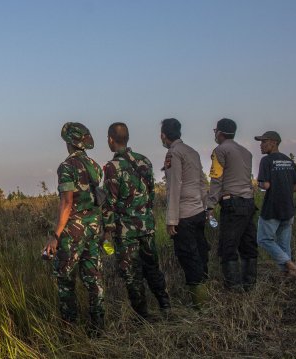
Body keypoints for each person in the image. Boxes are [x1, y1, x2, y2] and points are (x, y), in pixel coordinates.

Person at [42, 122, 105, 335]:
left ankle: (69, 330)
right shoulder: (95, 166)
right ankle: (98, 328)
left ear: (69, 142)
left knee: (65, 279)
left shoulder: (67, 167)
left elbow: (67, 203)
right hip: (94, 228)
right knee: (93, 279)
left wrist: (55, 235)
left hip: (74, 230)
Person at [102, 122, 170, 318]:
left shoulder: (112, 167)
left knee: (132, 274)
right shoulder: (144, 161)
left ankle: (143, 316)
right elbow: (150, 194)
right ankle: (165, 305)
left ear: (110, 140)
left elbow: (109, 203)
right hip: (147, 225)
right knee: (152, 267)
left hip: (126, 231)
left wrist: (107, 230)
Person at [160, 118, 210, 308]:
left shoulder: (173, 154)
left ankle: (200, 304)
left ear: (163, 135)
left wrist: (171, 219)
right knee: (200, 252)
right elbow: (202, 182)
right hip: (198, 211)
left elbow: (174, 186)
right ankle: (205, 296)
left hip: (185, 215)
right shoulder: (192, 152)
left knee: (189, 257)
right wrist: (205, 207)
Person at [206, 118, 257, 292]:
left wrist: (210, 205)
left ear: (219, 132)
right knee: (248, 245)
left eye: (215, 131)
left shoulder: (220, 151)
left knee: (228, 247)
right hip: (249, 202)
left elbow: (216, 179)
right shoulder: (246, 152)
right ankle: (250, 285)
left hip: (232, 203)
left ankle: (234, 289)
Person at [254, 131, 296, 279]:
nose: (261, 145)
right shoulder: (288, 160)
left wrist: (259, 184)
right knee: (284, 243)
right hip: (288, 208)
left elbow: (266, 185)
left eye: (264, 142)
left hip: (272, 208)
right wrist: (285, 191)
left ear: (274, 142)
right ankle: (287, 274)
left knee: (263, 239)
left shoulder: (266, 161)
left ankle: (292, 266)